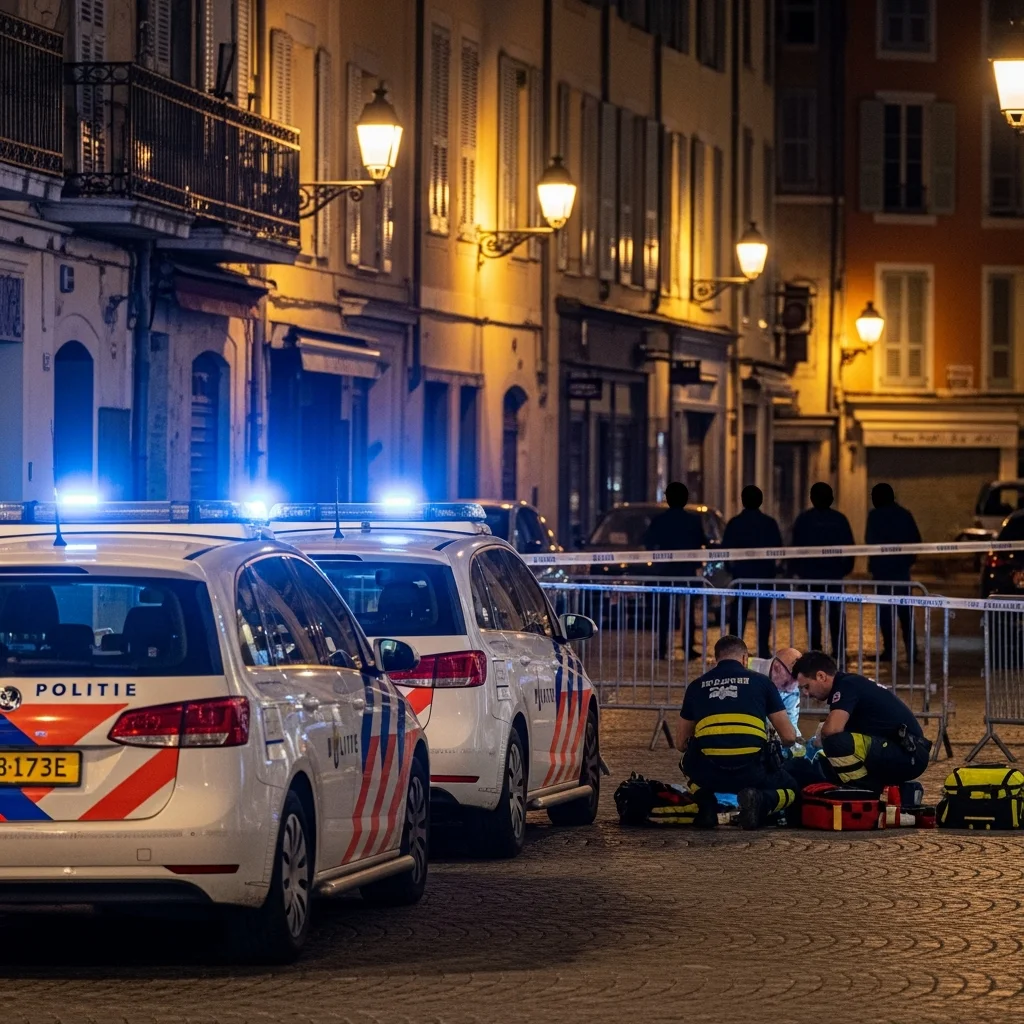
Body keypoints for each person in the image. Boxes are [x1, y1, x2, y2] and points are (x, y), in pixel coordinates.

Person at [677, 634, 800, 829]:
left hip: (709, 773)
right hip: (752, 772)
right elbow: (789, 736)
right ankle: (759, 800)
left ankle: (707, 804)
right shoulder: (763, 683)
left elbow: (680, 743)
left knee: (688, 766)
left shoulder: (696, 686)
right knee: (792, 788)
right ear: (745, 658)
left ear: (717, 659)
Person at [792, 650, 930, 793]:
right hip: (903, 751)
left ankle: (864, 793)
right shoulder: (849, 683)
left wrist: (818, 740)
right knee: (825, 762)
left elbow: (831, 730)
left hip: (909, 754)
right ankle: (884, 791)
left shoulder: (846, 685)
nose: (806, 694)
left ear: (821, 676)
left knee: (836, 743)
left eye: (806, 687)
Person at [644, 481, 708, 660]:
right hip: (686, 571)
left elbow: (648, 541)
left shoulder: (660, 520)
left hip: (664, 572)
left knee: (663, 611)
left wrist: (657, 558)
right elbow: (701, 541)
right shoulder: (693, 520)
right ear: (685, 499)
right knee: (687, 612)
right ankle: (688, 647)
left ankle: (662, 649)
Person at [790, 482, 855, 659]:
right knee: (835, 613)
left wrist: (797, 570)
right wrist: (845, 568)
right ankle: (839, 649)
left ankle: (815, 650)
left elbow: (795, 547)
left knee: (813, 614)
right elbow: (850, 547)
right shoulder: (839, 519)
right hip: (833, 574)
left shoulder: (804, 520)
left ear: (812, 498)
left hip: (811, 575)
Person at [723, 485, 783, 658]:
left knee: (739, 614)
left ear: (743, 500)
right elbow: (778, 547)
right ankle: (763, 649)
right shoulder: (769, 523)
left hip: (741, 575)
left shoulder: (735, 523)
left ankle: (734, 650)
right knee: (763, 614)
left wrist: (730, 568)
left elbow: (726, 548)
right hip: (764, 575)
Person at [865, 483, 921, 661]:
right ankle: (911, 652)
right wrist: (907, 561)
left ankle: (889, 650)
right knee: (905, 613)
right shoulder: (904, 514)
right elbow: (916, 540)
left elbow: (870, 541)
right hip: (901, 572)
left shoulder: (874, 516)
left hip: (883, 572)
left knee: (886, 613)